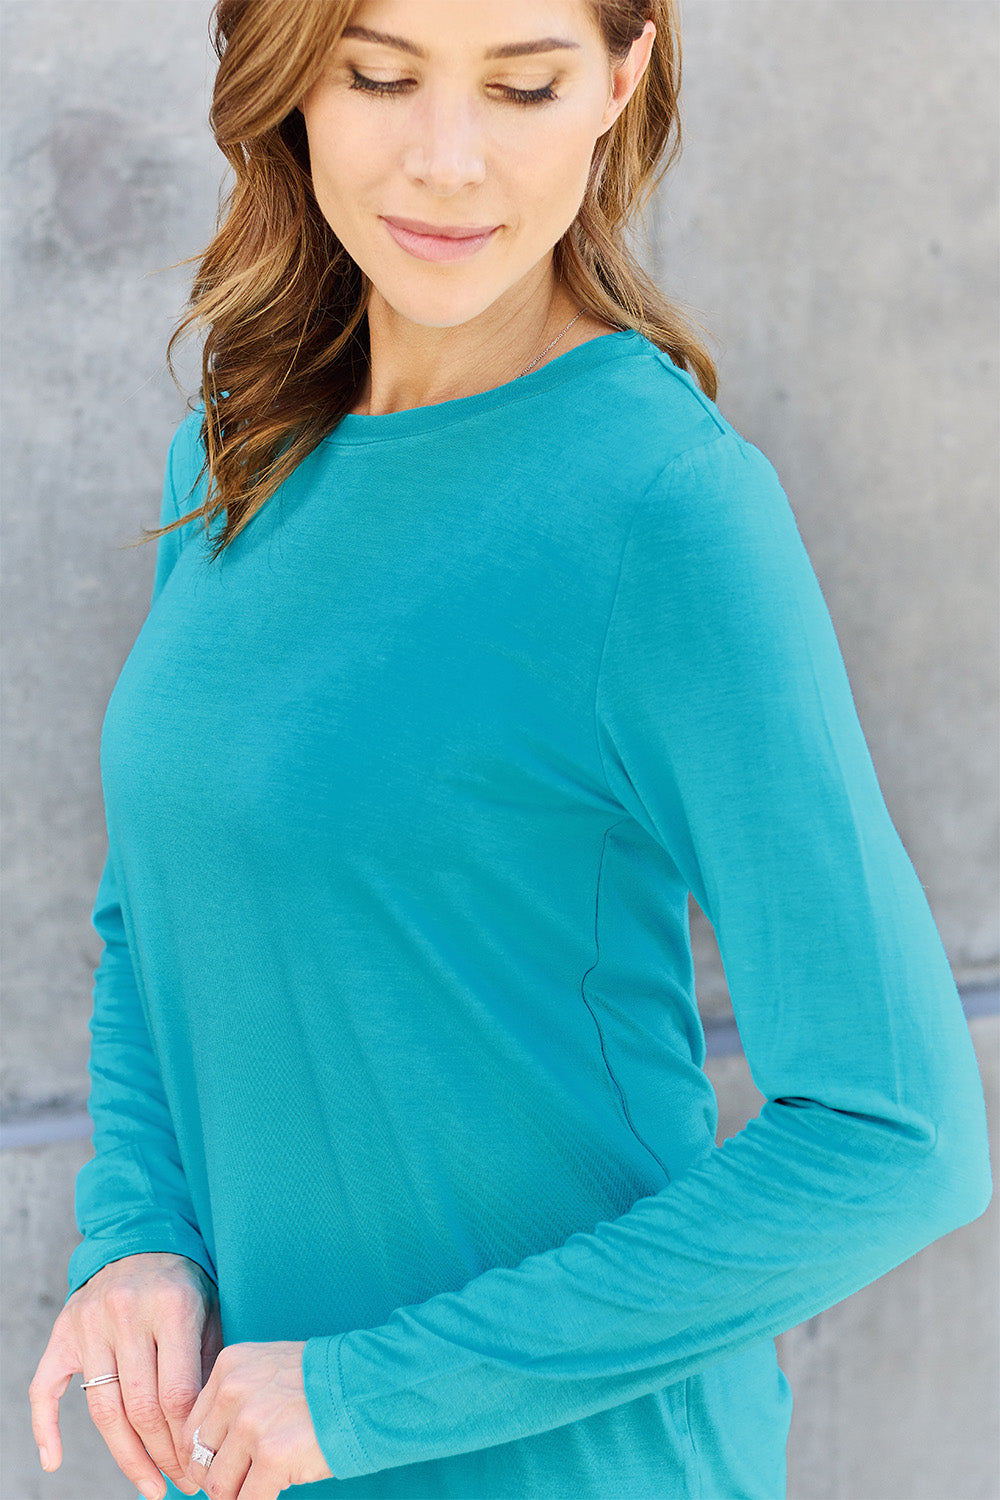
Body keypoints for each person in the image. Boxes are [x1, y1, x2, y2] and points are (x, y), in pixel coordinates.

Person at [28, 0, 993, 1497]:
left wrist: (367, 1393)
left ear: (625, 71)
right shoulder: (240, 441)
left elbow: (897, 1130)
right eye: (380, 76)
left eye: (524, 85)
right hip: (269, 1454)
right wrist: (140, 1232)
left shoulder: (664, 511)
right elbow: (157, 922)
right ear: (284, 77)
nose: (448, 162)